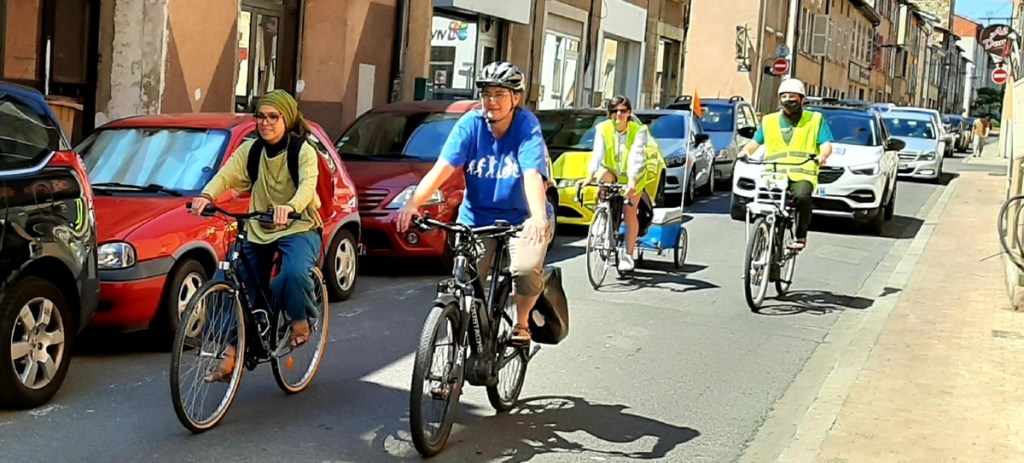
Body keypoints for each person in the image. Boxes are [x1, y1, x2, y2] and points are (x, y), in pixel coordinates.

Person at [396, 61, 551, 345]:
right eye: (486, 94)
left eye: (499, 94)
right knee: (464, 281)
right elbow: (442, 169)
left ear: (516, 98)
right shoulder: (470, 124)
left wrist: (538, 217)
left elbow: (532, 174)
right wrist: (413, 204)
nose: (491, 101)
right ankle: (456, 349)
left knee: (525, 270)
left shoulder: (526, 126)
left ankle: (522, 322)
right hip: (477, 218)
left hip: (521, 219)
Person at [190, 90, 323, 382]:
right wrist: (207, 195)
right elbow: (226, 175)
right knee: (228, 279)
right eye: (260, 117)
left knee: (293, 273)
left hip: (298, 226)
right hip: (260, 226)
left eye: (273, 117)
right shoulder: (251, 150)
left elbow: (307, 187)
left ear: (287, 119)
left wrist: (291, 207)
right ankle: (230, 351)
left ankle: (300, 320)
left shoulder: (303, 150)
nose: (265, 123)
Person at [738, 78, 833, 250]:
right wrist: (745, 152)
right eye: (784, 96)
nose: (788, 100)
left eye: (793, 97)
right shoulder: (769, 121)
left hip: (802, 173)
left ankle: (800, 235)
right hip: (774, 173)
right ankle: (763, 235)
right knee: (762, 203)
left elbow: (826, 144)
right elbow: (755, 143)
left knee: (802, 197)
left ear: (802, 100)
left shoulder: (815, 119)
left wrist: (822, 156)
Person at [575, 95, 650, 272]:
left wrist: (632, 181)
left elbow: (636, 157)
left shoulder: (639, 130)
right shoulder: (603, 128)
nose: (618, 115)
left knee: (629, 213)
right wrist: (590, 176)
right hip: (612, 170)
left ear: (629, 113)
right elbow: (597, 154)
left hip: (634, 176)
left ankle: (628, 255)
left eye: (622, 111)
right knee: (603, 180)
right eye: (614, 111)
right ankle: (603, 217)